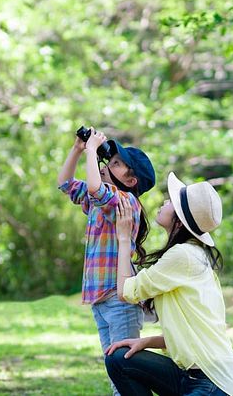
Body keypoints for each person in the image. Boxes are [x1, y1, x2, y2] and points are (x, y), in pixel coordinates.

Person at [103, 172, 233, 396]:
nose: (165, 201)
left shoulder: (183, 256)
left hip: (213, 381)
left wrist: (123, 238)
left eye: (172, 201)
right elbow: (190, 333)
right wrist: (145, 342)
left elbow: (125, 291)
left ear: (179, 219)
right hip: (187, 376)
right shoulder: (189, 255)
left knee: (120, 357)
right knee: (118, 359)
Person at [58, 128, 157, 392]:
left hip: (118, 300)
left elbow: (95, 188)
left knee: (124, 371)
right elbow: (66, 184)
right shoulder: (101, 200)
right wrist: (78, 149)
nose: (106, 165)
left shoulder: (125, 201)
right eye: (108, 160)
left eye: (115, 163)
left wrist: (92, 150)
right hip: (101, 299)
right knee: (116, 372)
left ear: (132, 180)